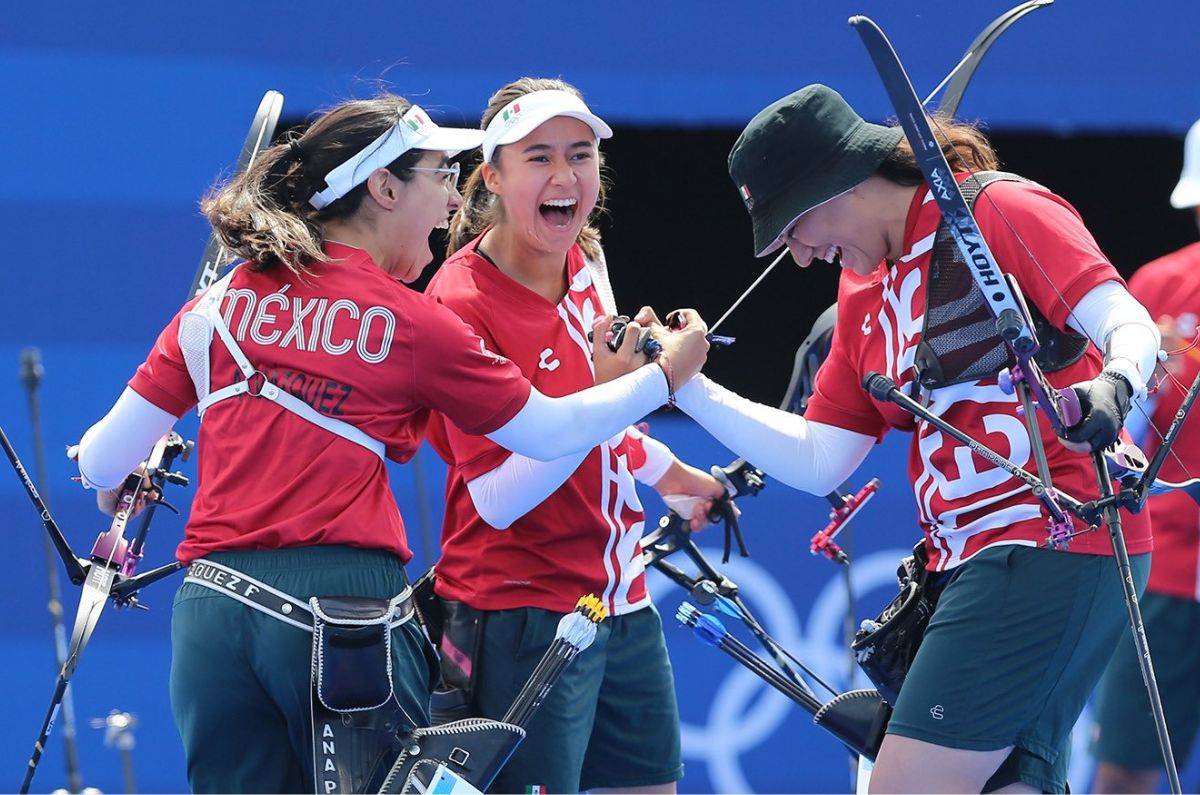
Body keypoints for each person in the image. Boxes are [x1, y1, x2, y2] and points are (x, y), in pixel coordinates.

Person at [72, 93, 708, 793]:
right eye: (439, 176)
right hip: (340, 614)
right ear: (383, 187)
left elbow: (101, 458)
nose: (449, 204)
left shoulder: (213, 307)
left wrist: (127, 471)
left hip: (212, 616)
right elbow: (550, 430)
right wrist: (663, 375)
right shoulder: (413, 321)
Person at [671, 85, 1162, 793]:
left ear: (835, 181)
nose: (801, 257)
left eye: (793, 230)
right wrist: (683, 386)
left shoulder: (995, 209)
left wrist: (1112, 386)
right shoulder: (860, 290)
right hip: (967, 563)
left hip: (1052, 542)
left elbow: (1128, 321)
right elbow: (821, 457)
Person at [421, 77, 721, 794]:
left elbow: (603, 426)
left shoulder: (586, 259)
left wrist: (669, 471)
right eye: (539, 157)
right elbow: (495, 497)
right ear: (491, 175)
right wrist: (632, 387)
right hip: (519, 611)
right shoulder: (457, 302)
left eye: (581, 155)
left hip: (623, 600)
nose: (565, 177)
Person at [1090, 116, 1200, 794]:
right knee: (1125, 767)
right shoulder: (1160, 286)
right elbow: (1119, 433)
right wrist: (1143, 383)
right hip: (1168, 570)